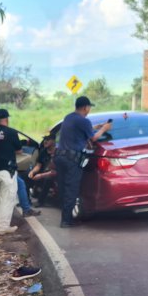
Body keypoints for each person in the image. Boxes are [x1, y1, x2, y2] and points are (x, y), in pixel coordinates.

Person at [54, 96, 111, 227]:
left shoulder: (69, 117)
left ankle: (65, 217)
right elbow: (93, 138)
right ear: (85, 107)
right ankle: (66, 221)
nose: (89, 110)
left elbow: (80, 130)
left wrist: (97, 126)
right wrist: (104, 129)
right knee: (71, 189)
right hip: (71, 159)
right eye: (89, 107)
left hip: (60, 157)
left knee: (63, 188)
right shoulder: (84, 121)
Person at [0, 108, 24, 234]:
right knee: (7, 199)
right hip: (7, 171)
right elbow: (18, 150)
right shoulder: (11, 132)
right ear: (7, 119)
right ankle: (3, 227)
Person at [26, 135, 57, 207]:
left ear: (53, 141)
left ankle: (40, 201)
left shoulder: (58, 152)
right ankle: (26, 200)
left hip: (52, 174)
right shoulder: (43, 151)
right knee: (27, 175)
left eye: (47, 140)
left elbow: (54, 171)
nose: (45, 141)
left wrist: (41, 175)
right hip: (43, 172)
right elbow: (38, 165)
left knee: (48, 179)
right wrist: (32, 172)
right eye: (44, 139)